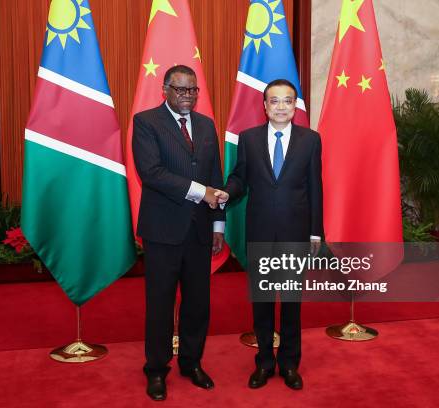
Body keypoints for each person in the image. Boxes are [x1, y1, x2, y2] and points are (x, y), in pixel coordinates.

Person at [132, 65, 228, 401]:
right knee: (160, 304)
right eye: (180, 90)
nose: (187, 96)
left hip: (200, 230)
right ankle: (156, 370)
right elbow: (152, 173)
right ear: (165, 90)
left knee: (197, 304)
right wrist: (202, 193)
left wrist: (218, 223)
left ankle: (191, 362)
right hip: (162, 230)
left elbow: (216, 174)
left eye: (193, 90)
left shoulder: (206, 125)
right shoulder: (146, 122)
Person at [222, 79, 323, 390]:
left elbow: (316, 188)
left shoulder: (310, 140)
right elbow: (240, 178)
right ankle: (265, 362)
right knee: (263, 302)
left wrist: (316, 233)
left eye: (287, 101)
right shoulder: (249, 139)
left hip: (295, 234)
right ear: (264, 106)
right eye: (275, 101)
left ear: (296, 106)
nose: (281, 106)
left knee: (291, 303)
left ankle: (290, 364)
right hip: (261, 232)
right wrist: (227, 193)